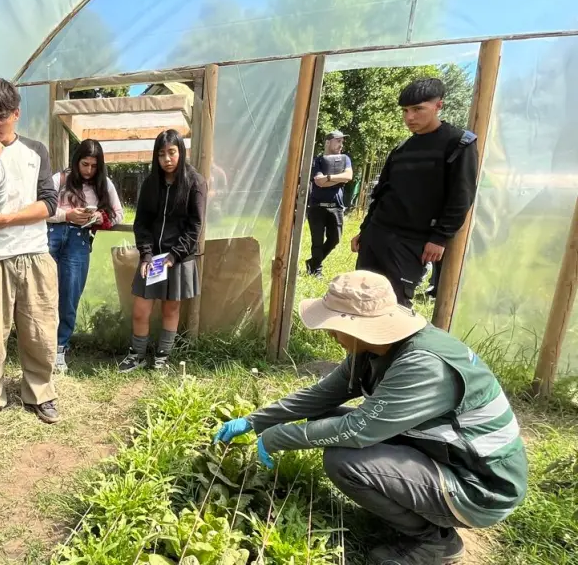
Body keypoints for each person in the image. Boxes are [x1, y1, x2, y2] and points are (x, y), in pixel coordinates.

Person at [215, 270, 528, 565]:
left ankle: (435, 541)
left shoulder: (423, 365)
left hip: (480, 484)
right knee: (323, 417)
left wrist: (280, 437)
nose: (330, 332)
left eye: (334, 324)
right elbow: (319, 397)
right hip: (443, 454)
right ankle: (410, 504)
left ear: (358, 326)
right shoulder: (373, 351)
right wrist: (255, 421)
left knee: (342, 460)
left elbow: (356, 431)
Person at [0, 77, 61, 430]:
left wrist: (9, 218)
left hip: (35, 252)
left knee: (39, 328)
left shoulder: (36, 151)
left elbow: (49, 203)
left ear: (16, 114)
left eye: (1, 116)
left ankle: (40, 392)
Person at [351, 78, 478, 306]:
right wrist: (365, 230)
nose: (409, 117)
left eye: (418, 109)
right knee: (363, 299)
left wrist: (440, 237)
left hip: (412, 242)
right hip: (377, 235)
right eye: (405, 110)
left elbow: (462, 196)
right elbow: (381, 194)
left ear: (439, 105)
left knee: (395, 304)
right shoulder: (402, 148)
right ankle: (361, 343)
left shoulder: (458, 144)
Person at [119, 129, 206, 372]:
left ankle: (162, 358)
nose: (166, 159)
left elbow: (195, 225)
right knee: (140, 310)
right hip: (154, 259)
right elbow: (142, 222)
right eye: (161, 154)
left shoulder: (195, 182)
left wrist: (174, 255)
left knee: (171, 308)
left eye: (171, 152)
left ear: (181, 151)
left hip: (178, 257)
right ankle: (136, 354)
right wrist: (147, 254)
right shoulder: (150, 183)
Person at [48, 139, 124, 373]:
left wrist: (102, 218)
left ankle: (60, 347)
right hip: (51, 235)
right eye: (85, 164)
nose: (89, 170)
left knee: (70, 295)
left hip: (79, 240)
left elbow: (118, 213)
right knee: (43, 292)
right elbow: (43, 209)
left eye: (94, 166)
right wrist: (67, 215)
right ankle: (41, 345)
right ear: (76, 160)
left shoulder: (104, 183)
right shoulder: (60, 179)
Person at [305, 131, 353, 277]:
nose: (341, 144)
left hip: (336, 207)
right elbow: (319, 182)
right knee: (317, 241)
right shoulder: (317, 161)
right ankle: (316, 270)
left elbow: (348, 176)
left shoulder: (345, 159)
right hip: (317, 207)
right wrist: (338, 179)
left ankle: (312, 262)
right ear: (328, 142)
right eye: (338, 141)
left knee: (335, 239)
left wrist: (329, 178)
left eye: (342, 141)